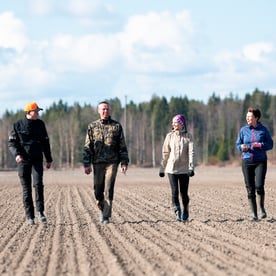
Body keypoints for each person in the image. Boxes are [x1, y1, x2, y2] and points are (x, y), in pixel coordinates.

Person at [83, 101, 129, 224]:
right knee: (98, 191)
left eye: (107, 109)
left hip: (112, 163)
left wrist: (124, 163)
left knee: (109, 189)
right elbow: (88, 146)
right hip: (97, 163)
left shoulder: (116, 126)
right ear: (98, 111)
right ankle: (102, 206)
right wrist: (86, 164)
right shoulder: (92, 126)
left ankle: (105, 216)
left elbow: (122, 146)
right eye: (103, 109)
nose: (105, 111)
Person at [8, 102, 53, 225]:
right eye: (36, 111)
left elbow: (45, 143)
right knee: (26, 189)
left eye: (38, 111)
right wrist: (17, 155)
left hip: (37, 159)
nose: (38, 113)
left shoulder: (40, 124)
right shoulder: (17, 125)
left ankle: (40, 212)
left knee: (38, 185)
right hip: (23, 161)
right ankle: (30, 216)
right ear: (29, 112)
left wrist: (49, 159)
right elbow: (12, 143)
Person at [236, 107, 273, 221]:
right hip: (247, 161)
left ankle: (262, 208)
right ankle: (254, 214)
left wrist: (260, 145)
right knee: (250, 188)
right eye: (247, 117)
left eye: (250, 117)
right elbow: (238, 144)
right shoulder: (243, 130)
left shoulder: (263, 130)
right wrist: (242, 147)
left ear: (256, 118)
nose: (248, 119)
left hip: (260, 161)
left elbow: (270, 144)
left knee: (259, 186)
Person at [159, 114, 194, 222]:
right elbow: (165, 153)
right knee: (174, 192)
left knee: (184, 193)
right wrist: (162, 168)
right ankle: (177, 210)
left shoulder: (188, 136)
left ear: (181, 124)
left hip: (184, 170)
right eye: (173, 122)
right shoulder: (169, 136)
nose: (173, 124)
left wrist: (191, 167)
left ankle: (186, 209)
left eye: (176, 122)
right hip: (171, 169)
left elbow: (191, 152)